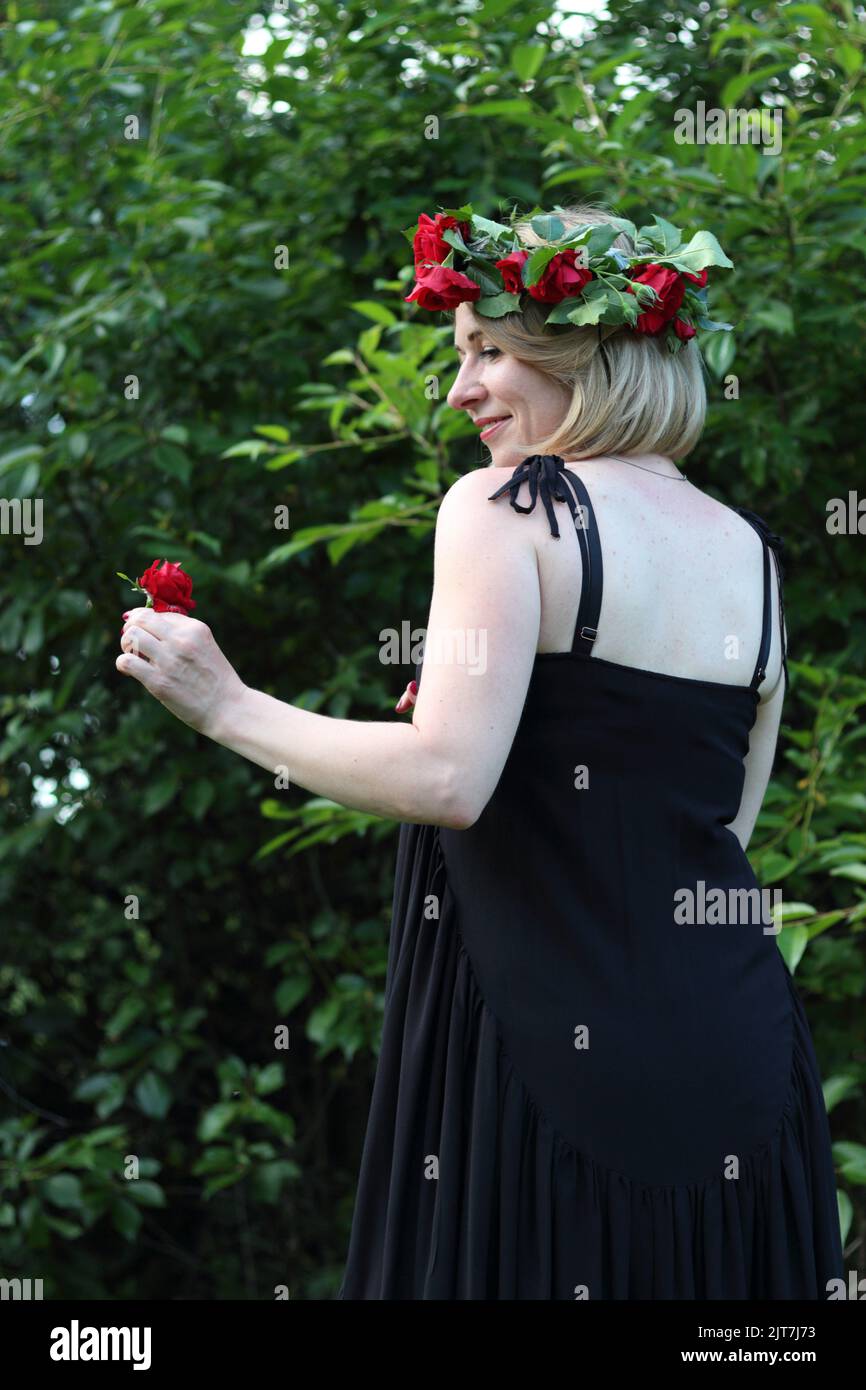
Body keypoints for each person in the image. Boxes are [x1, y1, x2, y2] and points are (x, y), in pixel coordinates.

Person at [117, 202, 845, 1300]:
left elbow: (446, 777)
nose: (458, 391)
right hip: (745, 1069)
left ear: (584, 351)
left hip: (549, 1064)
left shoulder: (506, 507)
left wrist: (225, 705)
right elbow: (720, 836)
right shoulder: (750, 554)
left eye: (487, 351)